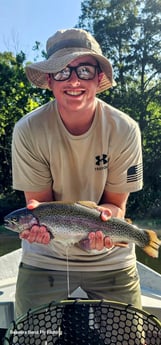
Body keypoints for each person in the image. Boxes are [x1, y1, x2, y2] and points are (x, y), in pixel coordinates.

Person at [12, 28, 143, 318]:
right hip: (46, 259)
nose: (72, 80)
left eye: (84, 70)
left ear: (98, 78)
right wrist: (38, 231)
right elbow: (40, 206)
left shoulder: (125, 129)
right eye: (61, 71)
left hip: (111, 257)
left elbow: (116, 205)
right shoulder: (28, 130)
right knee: (28, 336)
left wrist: (102, 227)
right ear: (49, 80)